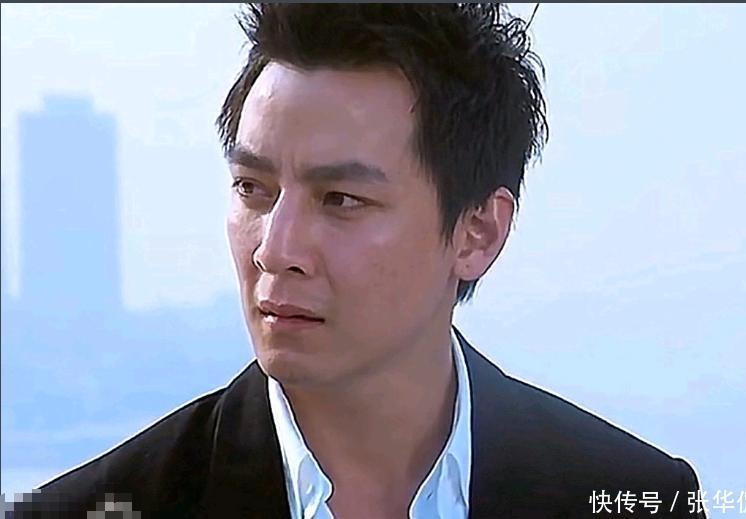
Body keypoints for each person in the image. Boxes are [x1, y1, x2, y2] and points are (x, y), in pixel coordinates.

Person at [20, 4, 706, 518]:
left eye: (341, 199)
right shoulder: (97, 508)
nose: (275, 249)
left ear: (477, 232)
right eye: (253, 189)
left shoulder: (628, 495)